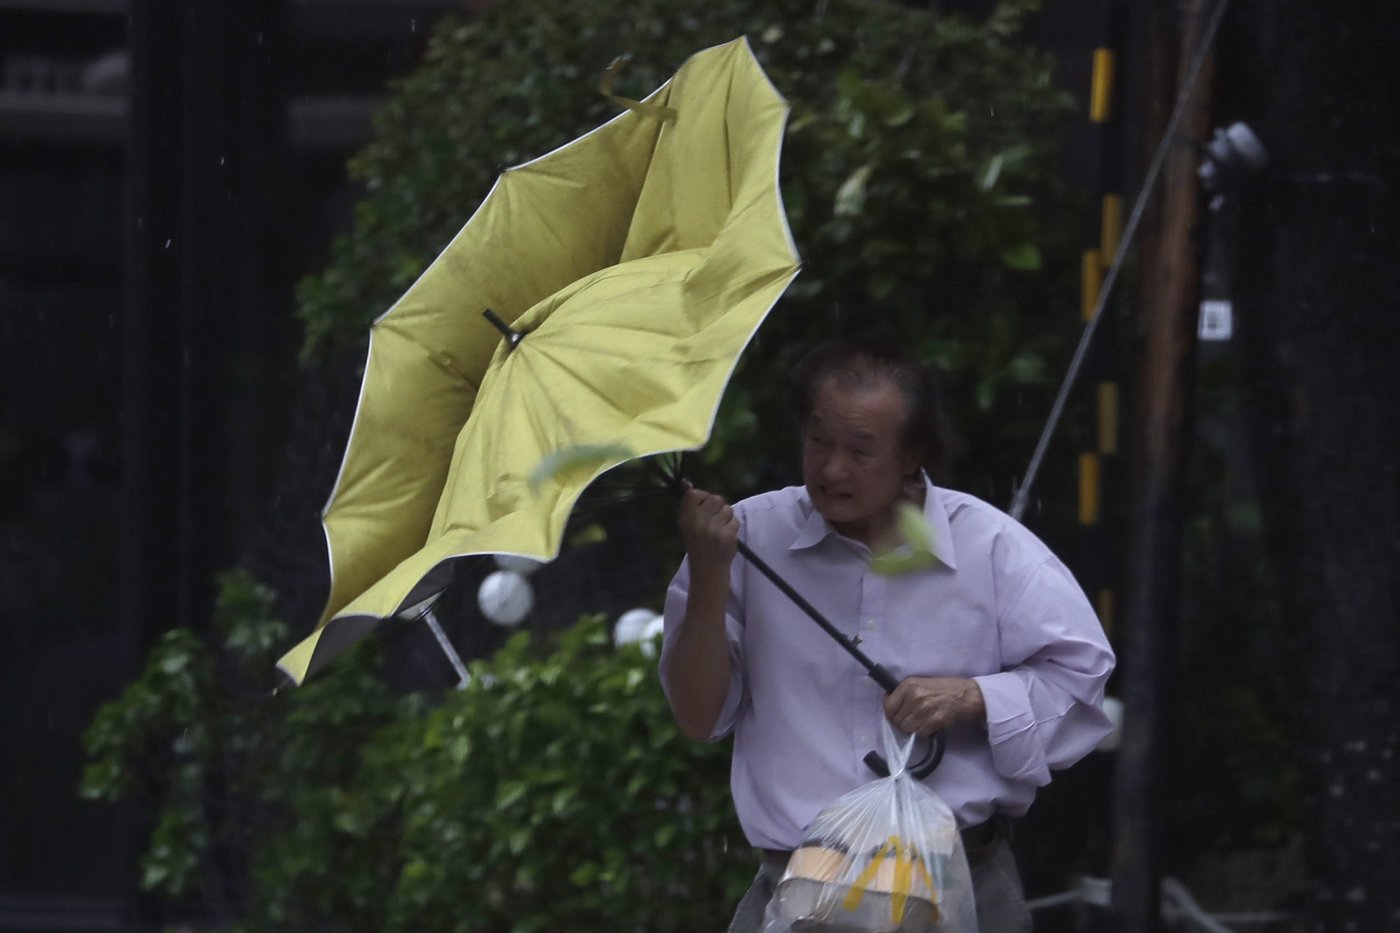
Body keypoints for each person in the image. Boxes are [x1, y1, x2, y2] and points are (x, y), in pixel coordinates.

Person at [659, 336, 1116, 933]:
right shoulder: (745, 539)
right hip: (800, 894)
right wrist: (710, 571)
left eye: (860, 449)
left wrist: (975, 696)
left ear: (912, 455)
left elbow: (1079, 683)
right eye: (818, 441)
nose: (832, 469)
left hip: (956, 886)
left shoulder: (991, 548)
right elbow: (698, 717)